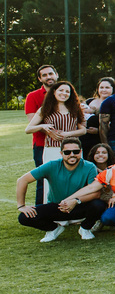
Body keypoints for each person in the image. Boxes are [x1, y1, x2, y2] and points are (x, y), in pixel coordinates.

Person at [14, 137, 102, 242]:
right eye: (67, 152)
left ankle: (85, 228)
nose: (72, 155)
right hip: (57, 207)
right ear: (61, 153)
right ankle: (53, 229)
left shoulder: (89, 166)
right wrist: (21, 206)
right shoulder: (52, 165)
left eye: (76, 151)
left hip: (78, 205)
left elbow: (96, 193)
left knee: (99, 205)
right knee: (24, 217)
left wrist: (75, 201)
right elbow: (22, 180)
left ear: (81, 152)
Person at [25, 81, 88, 169]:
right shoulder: (44, 109)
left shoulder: (75, 109)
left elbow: (83, 130)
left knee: (74, 175)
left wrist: (66, 134)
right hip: (52, 148)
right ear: (54, 92)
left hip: (73, 149)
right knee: (53, 174)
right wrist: (43, 126)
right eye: (61, 90)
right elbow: (28, 129)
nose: (64, 93)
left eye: (67, 91)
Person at [25, 64, 60, 203]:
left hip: (65, 143)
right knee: (42, 179)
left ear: (56, 75)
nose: (48, 77)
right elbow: (32, 123)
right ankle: (40, 210)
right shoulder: (33, 96)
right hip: (42, 144)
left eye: (50, 73)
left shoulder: (65, 92)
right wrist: (48, 130)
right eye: (44, 75)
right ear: (40, 79)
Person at [81, 76, 115, 157]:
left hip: (103, 139)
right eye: (101, 87)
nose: (104, 90)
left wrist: (98, 131)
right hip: (86, 139)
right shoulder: (89, 102)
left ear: (113, 89)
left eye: (107, 87)